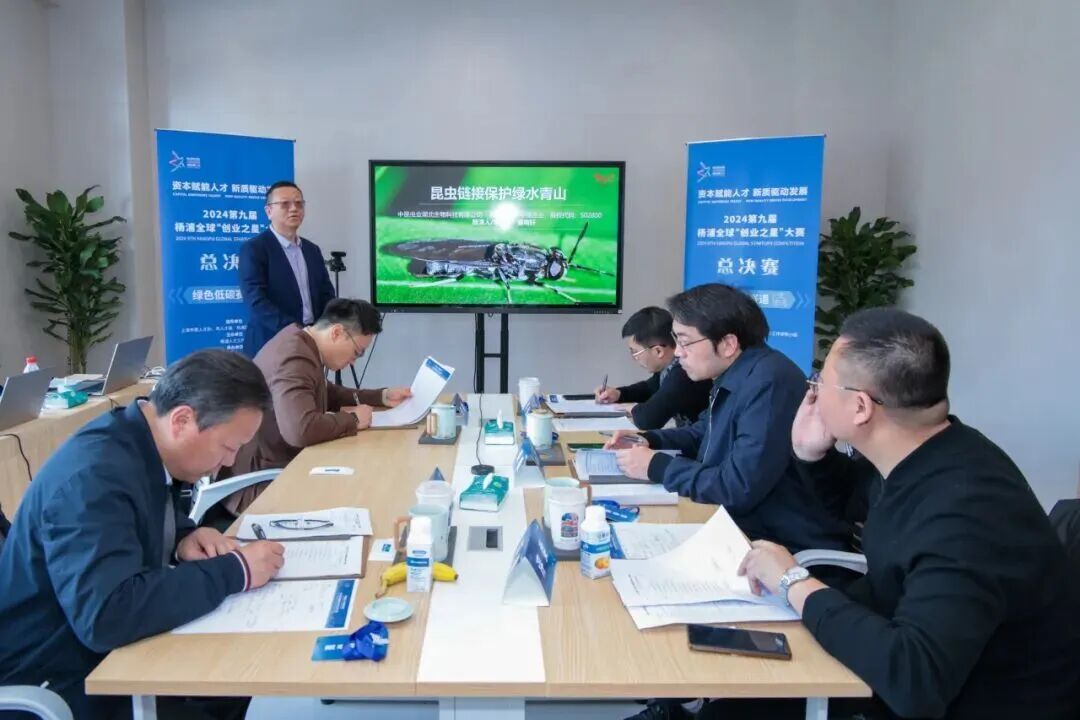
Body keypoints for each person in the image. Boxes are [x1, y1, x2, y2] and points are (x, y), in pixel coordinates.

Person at [735, 308, 1080, 720]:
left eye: (820, 381)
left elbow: (916, 680)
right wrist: (813, 457)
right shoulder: (933, 449)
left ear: (860, 406)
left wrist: (794, 582)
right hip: (904, 661)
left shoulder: (967, 514)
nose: (812, 392)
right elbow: (863, 506)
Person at [0, 350, 286, 719]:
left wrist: (183, 535)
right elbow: (106, 616)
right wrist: (236, 571)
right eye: (228, 447)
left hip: (108, 653)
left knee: (241, 678)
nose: (229, 461)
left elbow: (133, 516)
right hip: (61, 676)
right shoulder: (94, 478)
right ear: (182, 420)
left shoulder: (138, 439)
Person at [606, 284, 851, 554]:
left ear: (728, 344)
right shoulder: (739, 373)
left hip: (779, 546)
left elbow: (738, 488)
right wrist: (648, 439)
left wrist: (657, 466)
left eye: (685, 342)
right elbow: (704, 432)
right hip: (740, 527)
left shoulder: (768, 384)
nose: (677, 352)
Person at [219, 298, 412, 514]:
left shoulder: (301, 342)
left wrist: (381, 396)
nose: (354, 361)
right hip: (261, 484)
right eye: (357, 352)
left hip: (282, 464)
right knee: (366, 490)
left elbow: (328, 392)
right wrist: (354, 420)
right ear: (337, 332)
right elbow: (300, 430)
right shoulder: (294, 356)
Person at [239, 181, 336, 357]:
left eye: (299, 203)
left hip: (312, 341)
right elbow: (256, 300)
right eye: (285, 204)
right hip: (270, 342)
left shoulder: (312, 250)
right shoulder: (254, 249)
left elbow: (326, 293)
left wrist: (324, 327)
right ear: (269, 211)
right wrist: (298, 331)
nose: (294, 209)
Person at [594, 306, 711, 429]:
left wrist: (633, 409)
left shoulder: (683, 373)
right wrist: (618, 394)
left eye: (635, 352)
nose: (633, 358)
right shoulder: (670, 368)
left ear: (658, 351)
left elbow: (649, 419)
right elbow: (650, 388)